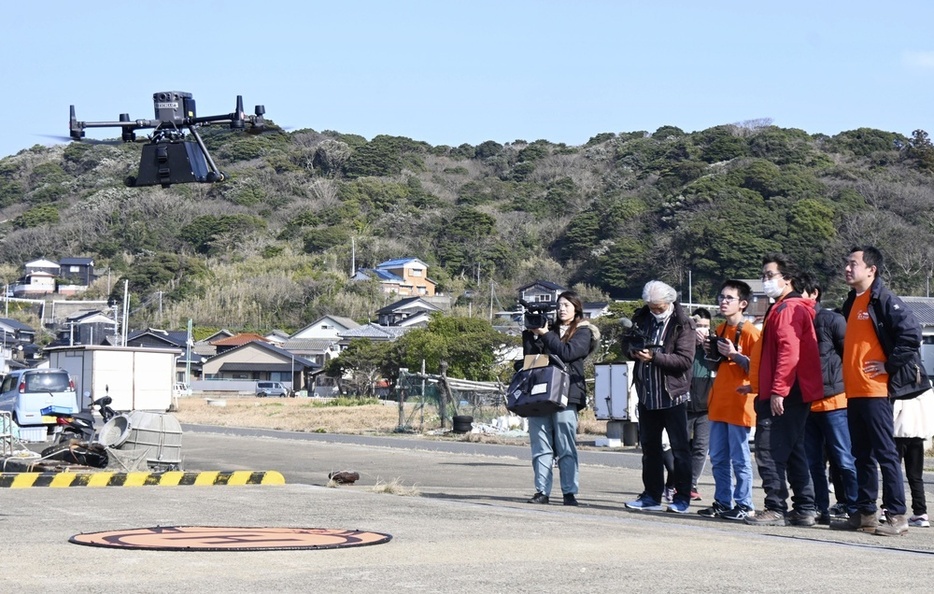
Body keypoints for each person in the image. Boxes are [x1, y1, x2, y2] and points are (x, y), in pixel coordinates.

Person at [836, 246, 930, 536]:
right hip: (854, 391)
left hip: (876, 390)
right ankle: (866, 514)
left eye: (854, 264)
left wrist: (889, 365)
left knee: (886, 453)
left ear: (871, 269)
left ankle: (897, 516)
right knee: (860, 454)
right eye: (847, 264)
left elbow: (911, 334)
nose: (848, 268)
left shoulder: (884, 299)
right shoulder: (852, 301)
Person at [744, 253, 822, 527]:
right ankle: (804, 507)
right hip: (794, 390)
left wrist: (778, 390)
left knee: (768, 450)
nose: (765, 281)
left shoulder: (787, 309)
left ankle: (775, 507)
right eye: (763, 275)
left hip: (786, 392)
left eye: (769, 275)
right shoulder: (787, 307)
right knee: (793, 449)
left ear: (787, 279)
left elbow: (789, 352)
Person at [623, 280, 695, 514]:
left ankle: (682, 497)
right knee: (650, 450)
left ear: (670, 302)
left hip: (672, 396)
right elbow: (626, 344)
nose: (655, 310)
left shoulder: (683, 324)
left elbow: (684, 361)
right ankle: (651, 495)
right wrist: (632, 351)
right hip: (647, 395)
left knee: (680, 450)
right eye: (652, 306)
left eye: (659, 307)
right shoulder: (642, 317)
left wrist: (655, 357)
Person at [521, 290, 598, 507]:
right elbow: (530, 360)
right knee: (541, 444)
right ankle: (541, 491)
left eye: (567, 305)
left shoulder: (584, 331)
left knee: (566, 445)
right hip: (541, 393)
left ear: (576, 309)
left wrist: (545, 335)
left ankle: (569, 492)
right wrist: (531, 334)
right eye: (560, 305)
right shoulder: (547, 329)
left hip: (567, 394)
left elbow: (568, 353)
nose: (562, 309)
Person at [797, 273, 858, 525]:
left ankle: (857, 508)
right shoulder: (794, 322)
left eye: (799, 292)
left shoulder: (833, 320)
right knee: (813, 463)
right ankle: (820, 509)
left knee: (844, 459)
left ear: (814, 294)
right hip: (806, 404)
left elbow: (849, 357)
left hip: (835, 402)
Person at [696, 280, 760, 522]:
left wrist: (734, 354)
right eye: (721, 296)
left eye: (729, 298)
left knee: (740, 458)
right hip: (720, 399)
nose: (723, 301)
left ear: (742, 304)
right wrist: (709, 352)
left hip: (740, 401)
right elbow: (716, 365)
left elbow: (758, 367)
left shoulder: (753, 333)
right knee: (719, 457)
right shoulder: (721, 329)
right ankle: (723, 501)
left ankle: (745, 504)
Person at [893, 389, 934, 528]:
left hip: (898, 433)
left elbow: (894, 410)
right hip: (918, 435)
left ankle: (888, 508)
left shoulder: (900, 385)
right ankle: (920, 512)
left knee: (892, 473)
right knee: (916, 476)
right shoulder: (927, 389)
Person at [687, 308, 716, 501]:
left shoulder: (714, 343)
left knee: (700, 447)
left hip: (708, 405)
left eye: (706, 326)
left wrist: (709, 347)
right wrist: (691, 340)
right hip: (685, 402)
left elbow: (720, 365)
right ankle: (675, 481)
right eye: (699, 326)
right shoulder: (684, 341)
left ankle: (692, 483)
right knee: (680, 445)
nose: (702, 330)